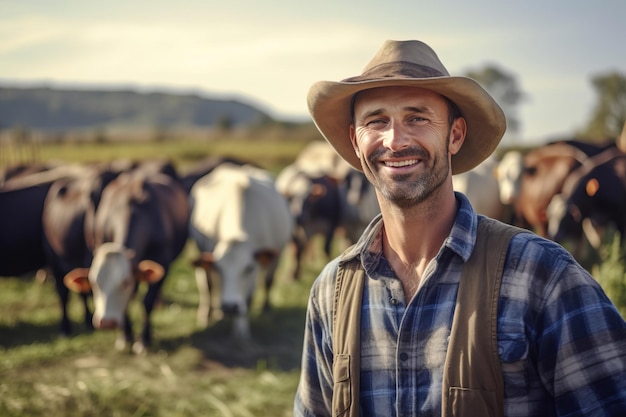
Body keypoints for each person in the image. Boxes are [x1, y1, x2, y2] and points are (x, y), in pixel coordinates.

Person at [293, 40, 626, 417]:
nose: (395, 141)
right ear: (356, 141)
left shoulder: (542, 277)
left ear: (454, 135)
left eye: (417, 117)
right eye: (376, 121)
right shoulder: (331, 293)